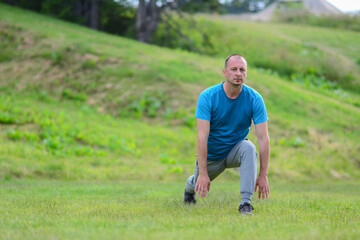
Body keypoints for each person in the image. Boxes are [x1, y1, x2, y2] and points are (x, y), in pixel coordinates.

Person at [184, 54, 270, 214]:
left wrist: (263, 174)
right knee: (197, 181)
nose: (238, 73)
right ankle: (189, 189)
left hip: (235, 151)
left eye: (242, 70)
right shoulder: (207, 97)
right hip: (212, 156)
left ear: (246, 73)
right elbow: (202, 137)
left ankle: (245, 204)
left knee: (249, 148)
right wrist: (203, 173)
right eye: (234, 69)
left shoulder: (255, 99)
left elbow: (263, 139)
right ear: (225, 72)